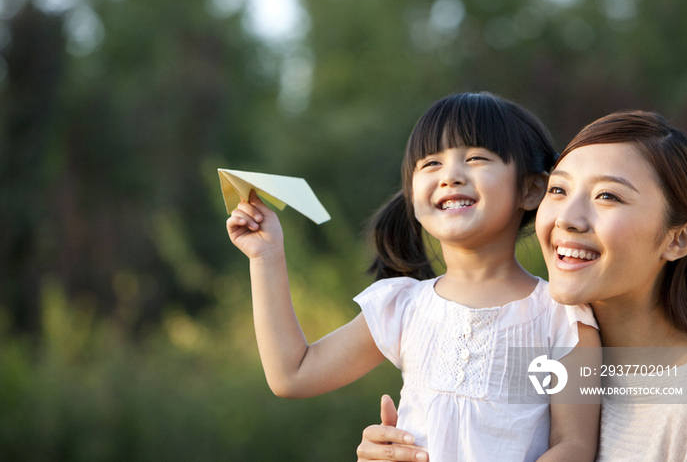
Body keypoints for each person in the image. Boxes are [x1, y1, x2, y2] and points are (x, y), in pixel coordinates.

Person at [227, 92, 600, 462]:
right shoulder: (402, 306)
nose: (450, 176)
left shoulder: (563, 316)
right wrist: (266, 256)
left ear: (532, 188)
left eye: (475, 159)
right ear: (412, 194)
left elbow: (574, 445)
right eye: (431, 164)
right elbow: (293, 374)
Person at [357, 110, 687, 462]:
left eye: (607, 196)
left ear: (679, 239)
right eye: (559, 189)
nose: (567, 217)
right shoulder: (539, 357)